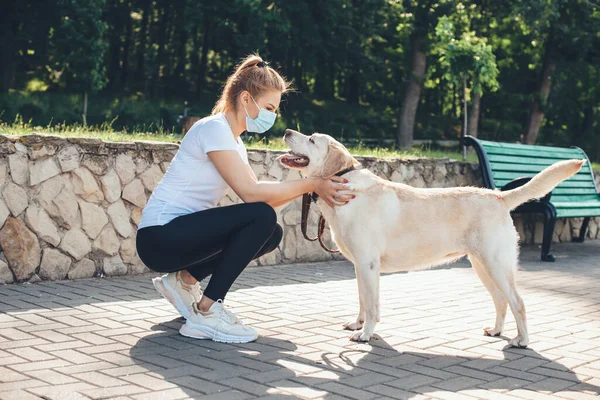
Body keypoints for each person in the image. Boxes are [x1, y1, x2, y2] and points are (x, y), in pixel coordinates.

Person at [135, 54, 353, 343]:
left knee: (270, 231)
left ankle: (184, 281)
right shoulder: (213, 129)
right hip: (159, 237)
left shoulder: (234, 142)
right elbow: (251, 193)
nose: (272, 116)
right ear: (246, 99)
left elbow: (261, 206)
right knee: (262, 219)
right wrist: (312, 183)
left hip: (178, 237)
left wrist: (305, 183)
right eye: (269, 108)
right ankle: (206, 313)